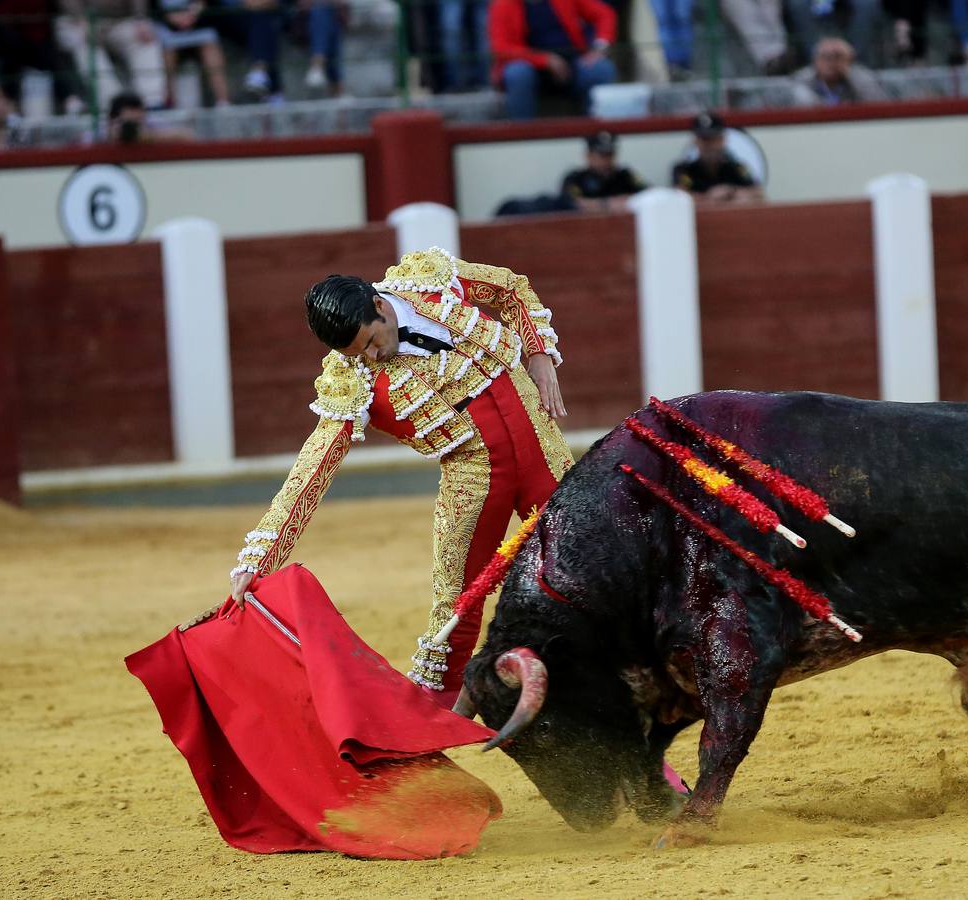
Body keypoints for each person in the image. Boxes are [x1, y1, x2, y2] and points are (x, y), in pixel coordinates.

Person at [226, 248, 572, 703]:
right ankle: (436, 720)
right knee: (456, 604)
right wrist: (259, 557)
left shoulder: (430, 281)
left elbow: (510, 288)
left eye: (372, 341)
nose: (372, 356)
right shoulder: (352, 379)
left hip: (539, 443)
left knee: (584, 558)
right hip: (473, 475)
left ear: (379, 305)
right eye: (358, 352)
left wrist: (540, 353)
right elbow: (314, 465)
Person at [488, 0, 618, 120]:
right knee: (518, 73)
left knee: (600, 69)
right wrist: (545, 60)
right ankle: (522, 132)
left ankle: (594, 130)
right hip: (529, 68)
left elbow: (604, 14)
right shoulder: (503, 4)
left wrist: (600, 46)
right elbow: (501, 48)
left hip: (572, 65)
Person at [55, 0, 167, 111]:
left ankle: (152, 103)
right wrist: (82, 20)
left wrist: (141, 19)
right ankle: (113, 106)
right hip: (80, 21)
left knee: (146, 41)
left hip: (121, 20)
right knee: (82, 44)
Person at [671, 111, 764, 207]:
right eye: (704, 139)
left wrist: (730, 191)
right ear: (696, 141)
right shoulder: (683, 170)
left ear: (723, 140)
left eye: (713, 139)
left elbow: (758, 194)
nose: (709, 145)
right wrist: (710, 197)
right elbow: (678, 198)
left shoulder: (735, 168)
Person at [151, 0, 230, 106]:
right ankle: (170, 103)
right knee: (167, 51)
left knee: (210, 48)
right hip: (167, 31)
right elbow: (151, 8)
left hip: (200, 26)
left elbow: (212, 5)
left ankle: (223, 102)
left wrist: (195, 13)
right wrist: (170, 17)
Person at [560, 130, 647, 212]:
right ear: (589, 156)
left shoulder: (625, 176)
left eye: (610, 154)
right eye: (602, 155)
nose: (607, 160)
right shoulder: (576, 178)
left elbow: (648, 195)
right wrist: (606, 204)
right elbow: (571, 203)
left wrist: (629, 200)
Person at [791, 36, 885, 106]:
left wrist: (851, 75)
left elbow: (878, 104)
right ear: (815, 61)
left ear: (850, 61)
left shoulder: (863, 79)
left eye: (838, 56)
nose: (831, 62)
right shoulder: (801, 80)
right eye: (825, 56)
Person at [107, 89, 193, 140]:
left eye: (136, 123)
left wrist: (150, 136)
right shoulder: (106, 130)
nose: (131, 129)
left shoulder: (150, 124)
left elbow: (187, 134)